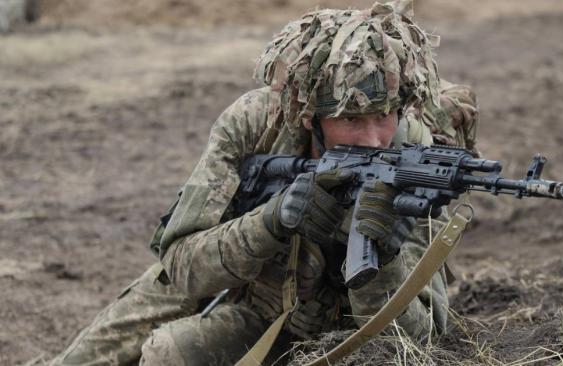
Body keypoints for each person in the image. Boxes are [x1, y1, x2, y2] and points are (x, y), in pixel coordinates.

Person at [50, 1, 479, 365]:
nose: (371, 139)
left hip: (348, 334)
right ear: (311, 115)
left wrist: (381, 259)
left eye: (384, 117)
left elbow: (419, 343)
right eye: (350, 119)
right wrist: (271, 222)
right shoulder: (256, 124)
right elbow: (182, 266)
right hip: (255, 297)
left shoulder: (420, 160)